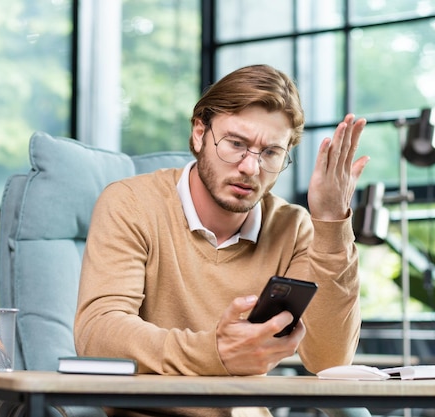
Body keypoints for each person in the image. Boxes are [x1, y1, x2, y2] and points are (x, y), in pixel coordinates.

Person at [74, 64, 370, 417]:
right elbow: (98, 334)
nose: (250, 167)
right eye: (236, 144)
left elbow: (330, 359)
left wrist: (332, 222)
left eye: (271, 153)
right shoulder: (131, 203)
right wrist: (216, 351)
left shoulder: (293, 227)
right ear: (200, 133)